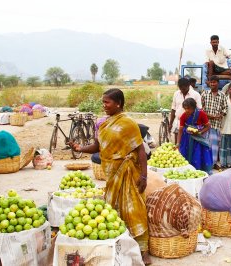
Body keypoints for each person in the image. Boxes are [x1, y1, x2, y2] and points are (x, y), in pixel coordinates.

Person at [70, 89, 151, 265]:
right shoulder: (104, 124)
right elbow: (97, 147)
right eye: (103, 102)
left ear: (119, 104)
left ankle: (143, 250)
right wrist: (80, 148)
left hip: (128, 172)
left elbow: (140, 150)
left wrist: (144, 176)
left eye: (107, 102)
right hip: (112, 173)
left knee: (135, 210)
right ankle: (119, 247)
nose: (104, 105)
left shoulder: (128, 123)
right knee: (113, 210)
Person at [177, 98, 213, 173]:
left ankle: (199, 171)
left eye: (188, 108)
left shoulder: (201, 114)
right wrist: (178, 143)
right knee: (185, 154)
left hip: (198, 139)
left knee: (197, 155)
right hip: (187, 139)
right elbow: (180, 130)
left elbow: (208, 126)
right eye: (185, 108)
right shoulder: (183, 116)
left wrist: (200, 132)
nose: (186, 110)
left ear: (194, 108)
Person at [201, 75, 228, 170]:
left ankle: (213, 163)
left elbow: (225, 109)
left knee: (215, 146)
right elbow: (201, 108)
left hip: (216, 125)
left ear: (218, 83)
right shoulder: (204, 94)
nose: (212, 84)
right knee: (205, 144)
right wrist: (208, 116)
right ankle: (205, 163)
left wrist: (220, 115)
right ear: (209, 83)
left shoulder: (222, 95)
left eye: (214, 82)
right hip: (205, 124)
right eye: (211, 82)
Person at [169, 78, 202, 143]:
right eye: (180, 88)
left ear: (188, 85)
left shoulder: (196, 94)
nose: (182, 90)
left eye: (184, 89)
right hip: (178, 123)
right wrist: (170, 123)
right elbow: (173, 109)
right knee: (178, 144)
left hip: (191, 125)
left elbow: (199, 110)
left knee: (189, 145)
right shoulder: (176, 94)